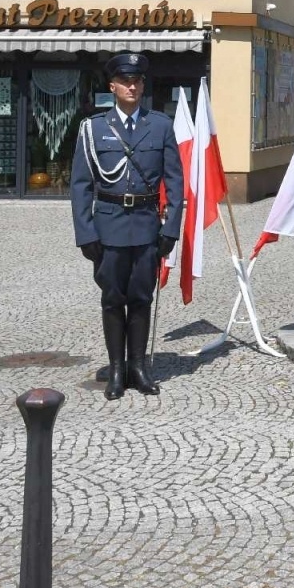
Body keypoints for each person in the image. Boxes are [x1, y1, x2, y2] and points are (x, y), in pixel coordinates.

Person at [70, 53, 184, 401]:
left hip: (147, 225)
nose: (131, 86)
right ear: (113, 86)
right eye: (124, 81)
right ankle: (116, 369)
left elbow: (176, 183)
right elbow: (80, 185)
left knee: (141, 298)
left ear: (143, 85)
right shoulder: (94, 128)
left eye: (137, 81)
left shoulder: (161, 126)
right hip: (109, 226)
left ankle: (138, 366)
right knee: (112, 299)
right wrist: (86, 233)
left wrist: (171, 229)